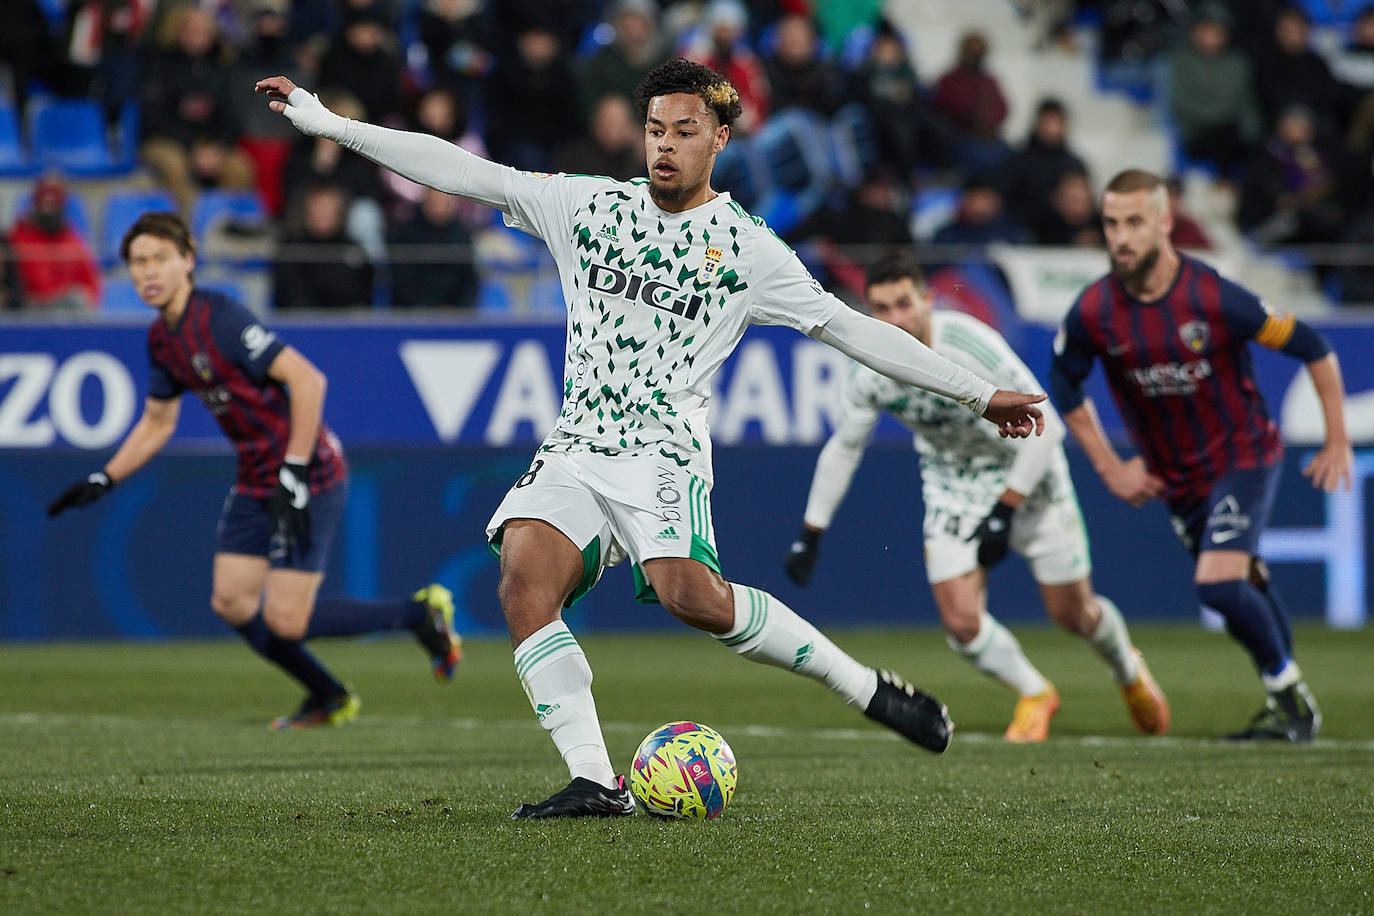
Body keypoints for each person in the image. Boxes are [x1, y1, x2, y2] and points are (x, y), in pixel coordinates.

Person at [256, 58, 1046, 817]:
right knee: (524, 584)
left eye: (683, 131)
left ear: (719, 139)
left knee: (690, 598)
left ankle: (867, 689)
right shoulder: (589, 207)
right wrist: (327, 121)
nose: (665, 145)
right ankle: (595, 779)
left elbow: (852, 329)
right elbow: (460, 169)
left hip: (662, 453)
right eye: (655, 129)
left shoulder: (747, 250)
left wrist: (977, 393)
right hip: (577, 445)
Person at [46, 212, 461, 728]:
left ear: (188, 261)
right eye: (137, 262)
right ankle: (328, 695)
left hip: (307, 471)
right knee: (232, 601)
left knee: (287, 620)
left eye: (159, 259)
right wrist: (105, 477)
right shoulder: (162, 339)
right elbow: (157, 422)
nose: (147, 271)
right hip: (256, 476)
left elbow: (308, 382)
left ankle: (419, 614)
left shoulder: (219, 319)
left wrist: (293, 469)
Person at [783, 252, 1169, 742]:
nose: (896, 318)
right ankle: (1035, 692)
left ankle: (1126, 670)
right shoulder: (869, 368)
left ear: (927, 299)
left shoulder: (970, 344)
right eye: (882, 309)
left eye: (904, 304)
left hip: (1028, 478)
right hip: (954, 484)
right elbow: (844, 446)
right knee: (962, 623)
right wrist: (812, 530)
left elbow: (1044, 428)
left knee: (1075, 615)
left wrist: (1007, 507)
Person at [1050, 168, 1353, 742]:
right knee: (1244, 585)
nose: (1121, 237)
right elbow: (1063, 385)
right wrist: (1109, 466)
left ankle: (1291, 701)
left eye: (1134, 222)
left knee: (1217, 585)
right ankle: (1290, 702)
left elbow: (1313, 346)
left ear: (1165, 222)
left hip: (1243, 454)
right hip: (1177, 478)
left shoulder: (1212, 295)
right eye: (1111, 223)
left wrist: (1337, 439)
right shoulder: (1093, 311)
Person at [7, 175, 101, 312]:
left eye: (53, 202)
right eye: (44, 201)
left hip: (64, 310)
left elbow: (90, 286)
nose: (48, 206)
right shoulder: (17, 238)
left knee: (78, 299)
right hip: (27, 309)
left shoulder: (72, 241)